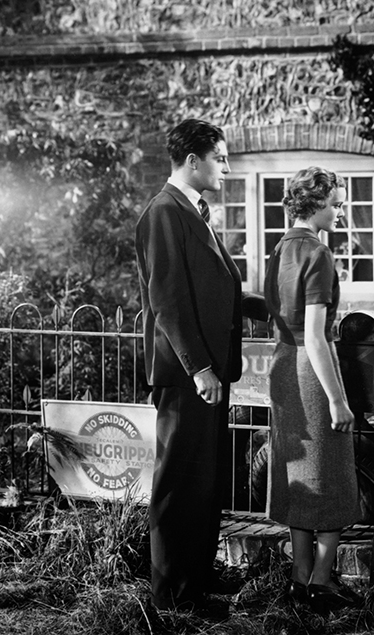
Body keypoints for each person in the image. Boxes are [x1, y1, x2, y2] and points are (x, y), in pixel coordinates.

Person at [135, 119, 241, 613]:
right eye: (220, 158)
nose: (226, 167)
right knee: (178, 484)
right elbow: (168, 300)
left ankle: (196, 579)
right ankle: (173, 596)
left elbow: (212, 285)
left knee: (204, 481)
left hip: (208, 373)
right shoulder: (164, 212)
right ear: (193, 161)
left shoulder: (194, 210)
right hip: (186, 376)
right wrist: (199, 369)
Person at [264, 167, 360, 614]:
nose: (340, 212)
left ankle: (300, 578)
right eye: (336, 204)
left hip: (283, 366)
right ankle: (322, 580)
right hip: (311, 370)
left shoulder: (280, 248)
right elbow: (317, 337)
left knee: (301, 475)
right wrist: (338, 400)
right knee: (330, 473)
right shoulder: (318, 253)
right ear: (316, 204)